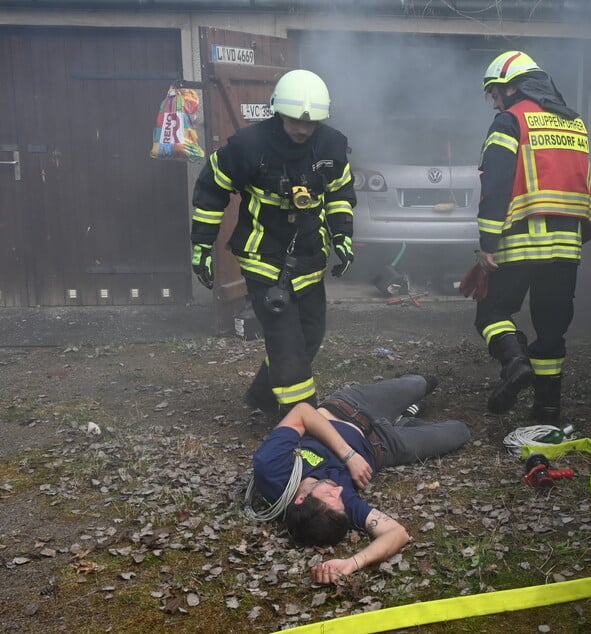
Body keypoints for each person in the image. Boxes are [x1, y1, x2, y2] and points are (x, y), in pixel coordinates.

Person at [190, 69, 356, 416]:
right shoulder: (249, 147)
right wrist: (202, 246)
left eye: (310, 123)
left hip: (310, 258)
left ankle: (264, 398)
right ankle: (300, 420)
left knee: (310, 336)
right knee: (285, 341)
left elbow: (340, 192)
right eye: (295, 120)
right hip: (262, 258)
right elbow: (211, 190)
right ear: (277, 110)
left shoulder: (332, 146)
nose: (302, 129)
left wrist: (342, 235)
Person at [474, 50, 591, 422]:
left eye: (495, 93)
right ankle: (547, 411)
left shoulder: (509, 122)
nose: (494, 102)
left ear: (513, 88)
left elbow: (495, 185)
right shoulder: (575, 123)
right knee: (550, 329)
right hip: (565, 248)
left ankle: (515, 364)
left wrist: (487, 244)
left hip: (520, 242)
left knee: (491, 312)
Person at [250, 374, 470, 584]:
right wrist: (352, 563)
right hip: (382, 446)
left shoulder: (272, 470)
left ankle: (404, 411)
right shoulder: (338, 505)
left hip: (349, 409)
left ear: (300, 499)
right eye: (338, 498)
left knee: (420, 384)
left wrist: (348, 455)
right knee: (460, 431)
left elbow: (303, 412)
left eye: (329, 494)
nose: (338, 491)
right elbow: (397, 533)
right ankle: (401, 421)